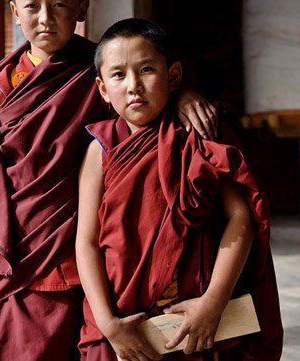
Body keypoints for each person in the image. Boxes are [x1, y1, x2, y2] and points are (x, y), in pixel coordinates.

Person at [0, 0, 219, 359]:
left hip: (70, 262)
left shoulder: (100, 71)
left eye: (59, 6)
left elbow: (143, 86)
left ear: (82, 9)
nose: (45, 18)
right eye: (32, 7)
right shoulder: (0, 84)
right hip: (6, 264)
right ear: (14, 12)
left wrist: (183, 96)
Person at [75, 18, 283, 361]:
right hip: (119, 314)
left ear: (173, 76)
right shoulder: (101, 147)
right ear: (101, 89)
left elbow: (240, 217)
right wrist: (107, 323)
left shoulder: (199, 136)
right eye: (118, 75)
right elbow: (86, 240)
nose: (133, 86)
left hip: (194, 313)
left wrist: (213, 302)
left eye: (146, 70)